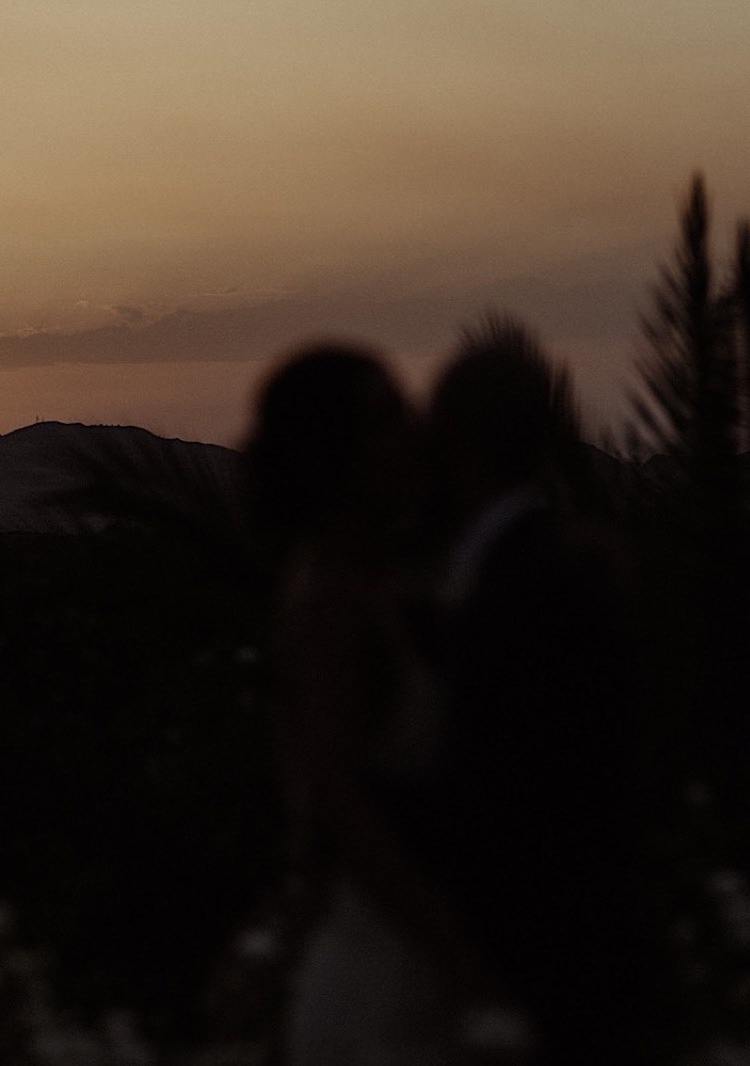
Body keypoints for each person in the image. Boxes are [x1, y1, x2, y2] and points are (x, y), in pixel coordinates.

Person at [244, 343, 532, 1065]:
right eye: (385, 420)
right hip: (384, 979)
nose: (414, 435)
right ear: (329, 456)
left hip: (414, 965)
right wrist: (464, 965)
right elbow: (338, 802)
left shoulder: (383, 590)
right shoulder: (330, 607)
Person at [423, 322, 662, 1064]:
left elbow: (529, 792)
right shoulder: (549, 568)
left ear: (454, 442)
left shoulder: (530, 586)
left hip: (542, 962)